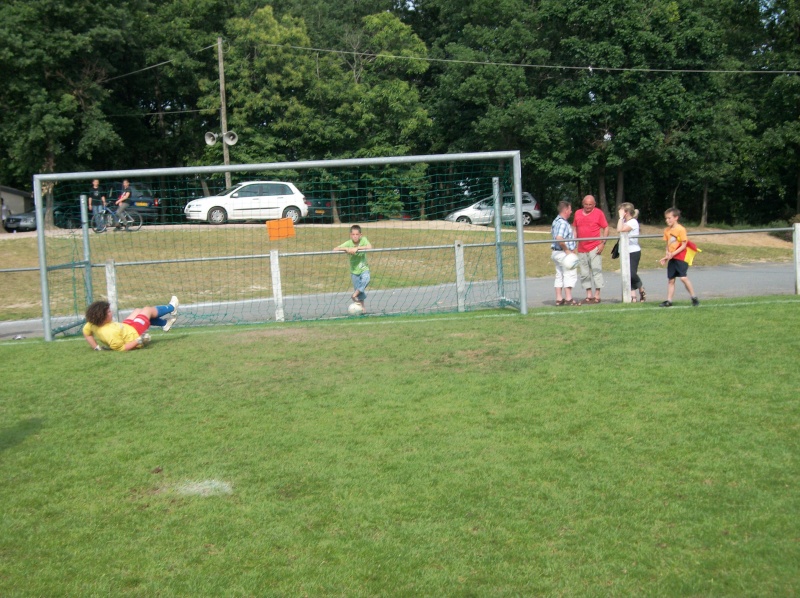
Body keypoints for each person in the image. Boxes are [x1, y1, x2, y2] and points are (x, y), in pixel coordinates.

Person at [83, 296, 179, 351]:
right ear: (102, 317)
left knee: (138, 311)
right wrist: (139, 340)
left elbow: (87, 333)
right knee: (147, 310)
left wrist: (96, 347)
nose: (111, 312)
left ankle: (165, 323)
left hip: (126, 329)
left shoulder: (92, 324)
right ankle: (171, 308)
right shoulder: (109, 333)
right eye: (108, 312)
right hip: (135, 334)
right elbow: (122, 348)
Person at [658, 208, 699, 307]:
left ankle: (694, 297)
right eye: (666, 218)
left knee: (683, 278)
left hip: (681, 256)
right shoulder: (667, 230)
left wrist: (673, 253)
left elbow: (684, 245)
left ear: (676, 218)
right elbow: (668, 245)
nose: (667, 220)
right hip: (672, 258)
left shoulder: (681, 229)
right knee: (671, 280)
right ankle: (669, 301)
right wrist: (667, 255)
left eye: (669, 218)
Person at [572, 194, 608, 303]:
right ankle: (589, 295)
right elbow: (574, 228)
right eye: (586, 204)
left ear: (594, 204)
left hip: (594, 246)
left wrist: (603, 243)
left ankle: (597, 295)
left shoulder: (598, 213)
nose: (588, 207)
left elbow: (606, 227)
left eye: (590, 205)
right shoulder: (577, 213)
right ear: (583, 204)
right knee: (584, 273)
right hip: (582, 248)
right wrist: (573, 243)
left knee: (596, 271)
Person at [334, 225, 372, 312]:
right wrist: (346, 249)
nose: (355, 236)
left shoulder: (363, 240)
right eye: (353, 234)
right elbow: (335, 249)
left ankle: (354, 295)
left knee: (366, 279)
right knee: (359, 290)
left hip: (363, 268)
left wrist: (357, 248)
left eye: (357, 234)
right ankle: (362, 309)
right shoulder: (348, 243)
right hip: (354, 271)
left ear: (360, 235)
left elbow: (369, 247)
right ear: (350, 235)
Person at [551, 200, 580, 305]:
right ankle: (568, 299)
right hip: (563, 253)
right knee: (569, 274)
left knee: (559, 275)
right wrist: (568, 251)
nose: (571, 211)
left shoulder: (556, 221)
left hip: (556, 252)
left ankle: (559, 298)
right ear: (566, 210)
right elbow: (559, 237)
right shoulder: (563, 223)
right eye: (570, 209)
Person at [616, 202, 646, 302]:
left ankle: (641, 289)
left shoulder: (633, 222)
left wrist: (620, 218)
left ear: (627, 212)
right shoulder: (624, 221)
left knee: (632, 273)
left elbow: (620, 229)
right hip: (624, 251)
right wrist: (621, 219)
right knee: (626, 274)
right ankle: (633, 296)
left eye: (621, 211)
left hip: (633, 251)